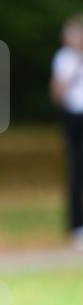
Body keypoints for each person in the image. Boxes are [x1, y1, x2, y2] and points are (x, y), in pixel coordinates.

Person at [50, 13, 83, 250]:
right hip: (73, 118)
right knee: (75, 170)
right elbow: (57, 94)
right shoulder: (63, 59)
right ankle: (76, 227)